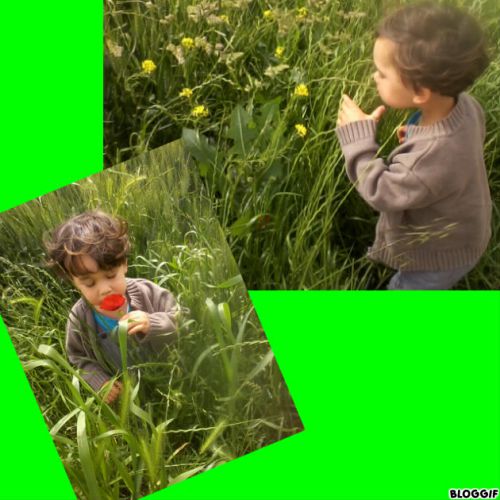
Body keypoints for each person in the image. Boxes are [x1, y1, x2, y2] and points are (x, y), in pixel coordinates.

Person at [335, 2, 492, 290]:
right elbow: (448, 153)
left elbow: (381, 192)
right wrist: (418, 136)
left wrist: (357, 139)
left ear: (420, 92)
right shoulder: (467, 107)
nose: (374, 77)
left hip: (437, 256)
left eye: (382, 73)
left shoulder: (428, 158)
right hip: (467, 232)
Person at [45, 210, 179, 403]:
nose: (104, 289)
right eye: (89, 284)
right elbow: (79, 358)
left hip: (169, 380)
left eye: (110, 276)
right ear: (73, 281)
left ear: (124, 264)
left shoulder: (146, 292)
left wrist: (153, 323)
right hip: (127, 396)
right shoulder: (80, 318)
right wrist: (99, 382)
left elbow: (180, 319)